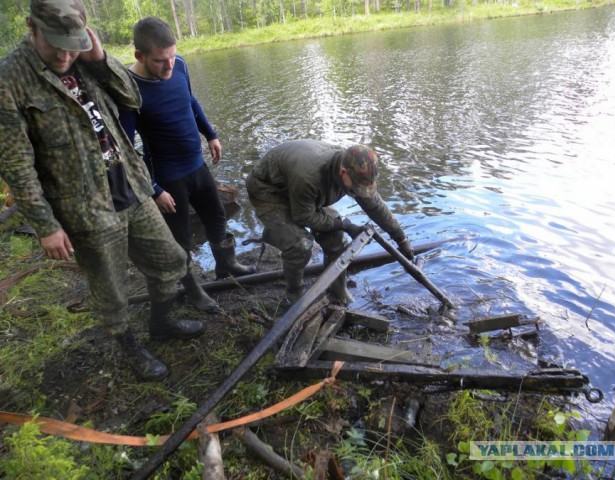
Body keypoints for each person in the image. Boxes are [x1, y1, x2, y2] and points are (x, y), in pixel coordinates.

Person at [0, 0, 206, 382]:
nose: (64, 55)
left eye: (72, 44)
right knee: (109, 287)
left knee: (169, 260)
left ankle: (161, 324)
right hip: (84, 205)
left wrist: (99, 59)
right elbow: (16, 164)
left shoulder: (85, 58)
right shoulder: (9, 80)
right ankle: (129, 346)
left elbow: (133, 99)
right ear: (32, 28)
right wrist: (45, 225)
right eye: (55, 45)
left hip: (130, 182)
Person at [119, 17, 255, 314]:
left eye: (171, 57)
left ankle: (226, 265)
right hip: (168, 176)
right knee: (181, 241)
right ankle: (194, 291)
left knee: (216, 215)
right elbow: (126, 149)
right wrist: (154, 190)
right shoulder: (129, 89)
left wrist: (211, 134)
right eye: (160, 61)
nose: (169, 67)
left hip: (196, 164)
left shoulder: (179, 64)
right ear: (139, 56)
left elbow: (190, 100)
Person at [245, 139, 414, 304]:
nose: (358, 191)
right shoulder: (310, 175)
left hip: (303, 192)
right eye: (356, 187)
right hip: (269, 190)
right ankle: (295, 292)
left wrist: (401, 239)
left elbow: (375, 206)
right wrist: (345, 225)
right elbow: (304, 217)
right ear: (342, 172)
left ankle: (337, 286)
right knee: (300, 244)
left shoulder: (355, 170)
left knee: (337, 240)